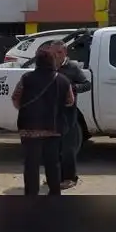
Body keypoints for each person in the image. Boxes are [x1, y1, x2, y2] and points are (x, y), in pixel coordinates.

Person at [11, 46, 75, 196]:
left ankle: (31, 196)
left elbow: (15, 99)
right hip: (53, 129)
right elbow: (70, 101)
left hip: (29, 129)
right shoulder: (63, 80)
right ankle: (54, 194)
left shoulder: (26, 78)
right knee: (53, 164)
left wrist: (25, 108)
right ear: (53, 61)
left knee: (31, 165)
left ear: (37, 62)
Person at [49, 40, 92, 190]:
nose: (56, 56)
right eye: (53, 53)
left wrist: (72, 88)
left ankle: (70, 177)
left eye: (59, 53)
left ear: (65, 52)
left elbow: (87, 84)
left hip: (68, 114)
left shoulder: (72, 67)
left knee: (68, 148)